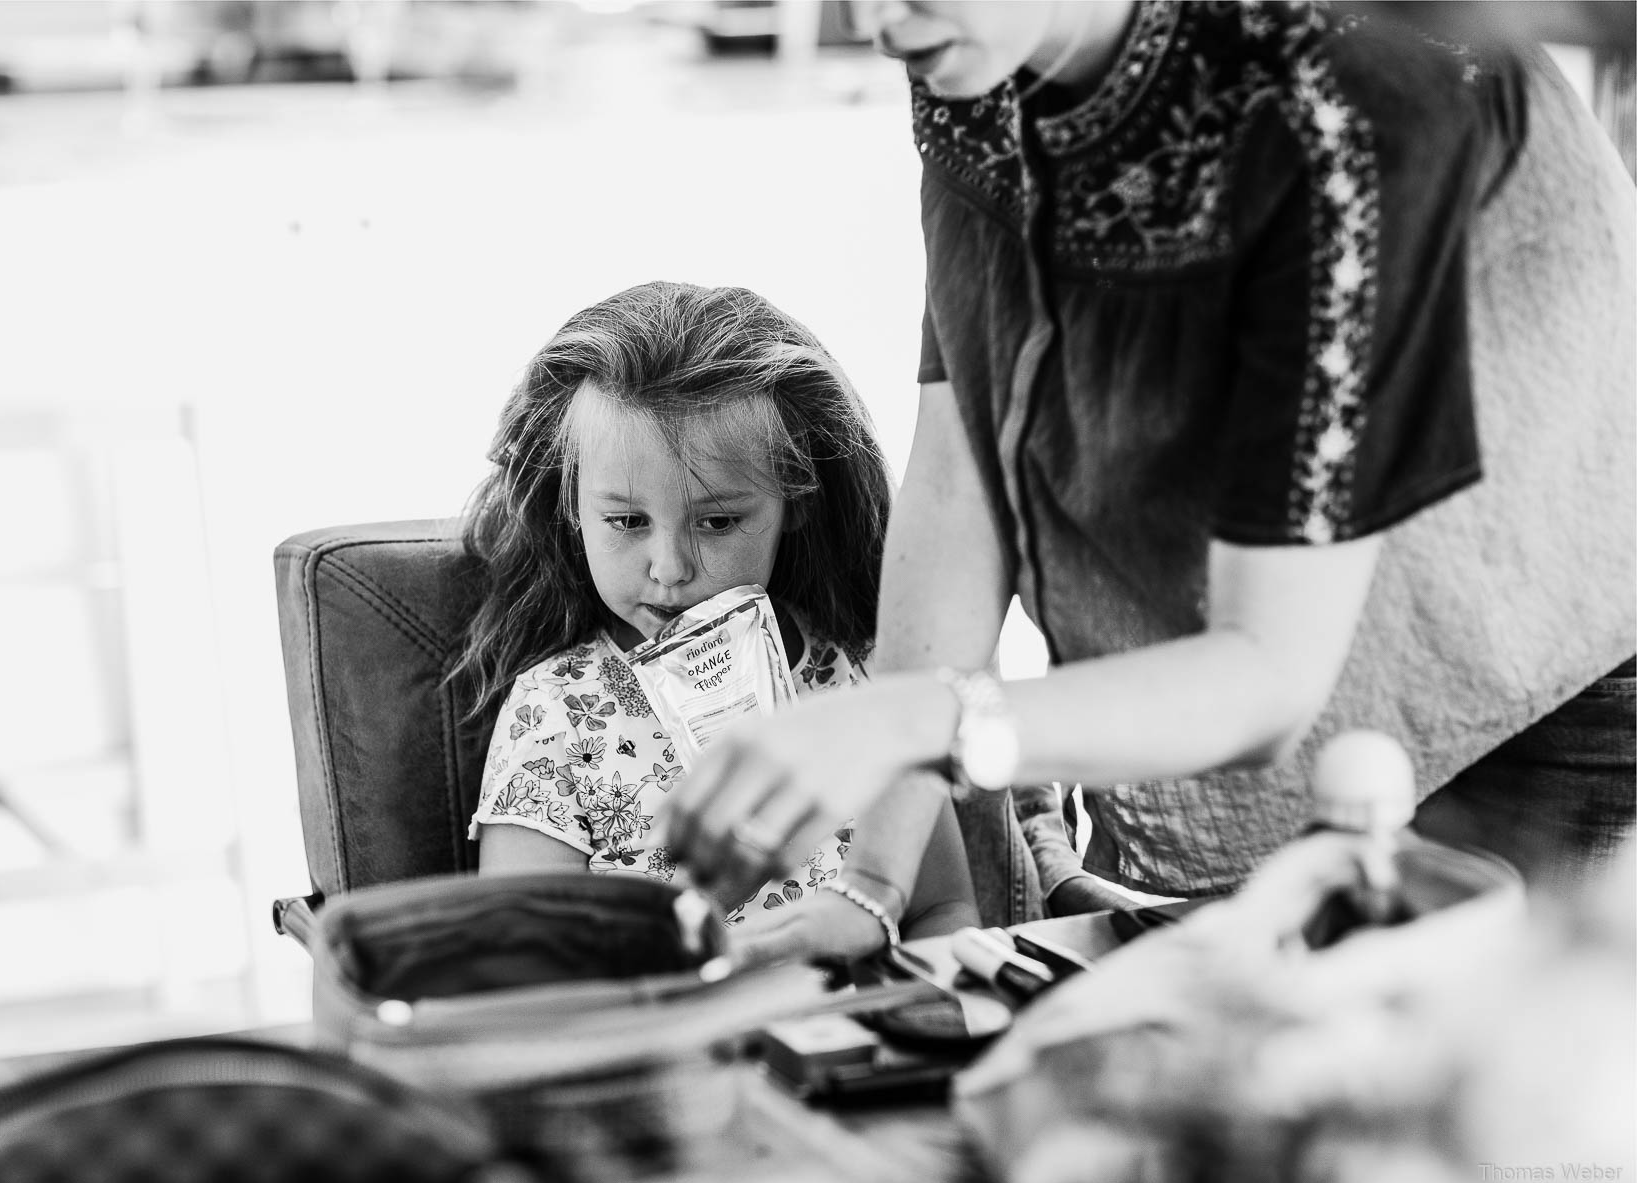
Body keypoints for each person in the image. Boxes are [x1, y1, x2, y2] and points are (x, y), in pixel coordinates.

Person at [663, 0, 1636, 913]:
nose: (874, 23)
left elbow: (1265, 676)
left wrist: (911, 721)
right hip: (1246, 687)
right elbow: (963, 468)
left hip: (1533, 682)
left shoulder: (1349, 98)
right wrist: (871, 883)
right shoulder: (980, 42)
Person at [455, 280, 979, 957]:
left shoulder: (868, 677)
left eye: (719, 521)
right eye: (626, 521)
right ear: (570, 507)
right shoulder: (552, 713)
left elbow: (944, 906)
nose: (669, 567)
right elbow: (526, 965)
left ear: (798, 504)